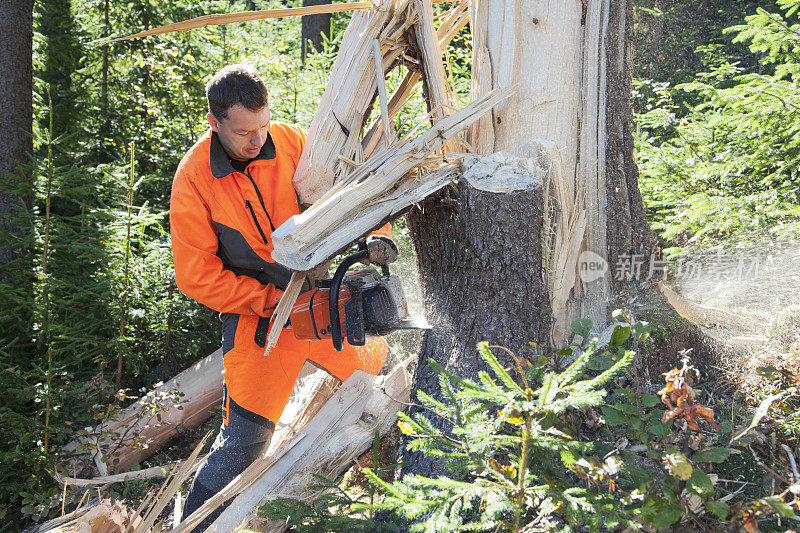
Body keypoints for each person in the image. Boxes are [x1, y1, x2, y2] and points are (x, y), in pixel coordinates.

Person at [169, 64, 390, 530]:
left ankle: (392, 494)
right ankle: (194, 526)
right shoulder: (194, 178)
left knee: (388, 378)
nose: (256, 141)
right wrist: (268, 302)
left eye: (262, 126)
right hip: (259, 316)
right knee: (245, 441)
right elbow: (195, 275)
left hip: (322, 301)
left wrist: (375, 236)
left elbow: (348, 192)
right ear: (214, 122)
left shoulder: (290, 141)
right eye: (244, 132)